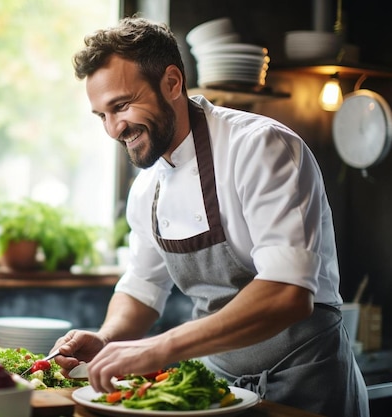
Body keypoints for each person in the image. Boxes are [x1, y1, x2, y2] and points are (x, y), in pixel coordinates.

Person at [53, 16, 369, 417]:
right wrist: (107, 337)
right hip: (216, 391)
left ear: (172, 83)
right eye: (101, 115)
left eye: (122, 106)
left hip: (305, 383)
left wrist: (160, 347)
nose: (114, 129)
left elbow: (287, 293)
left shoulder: (260, 148)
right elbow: (143, 287)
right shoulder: (146, 188)